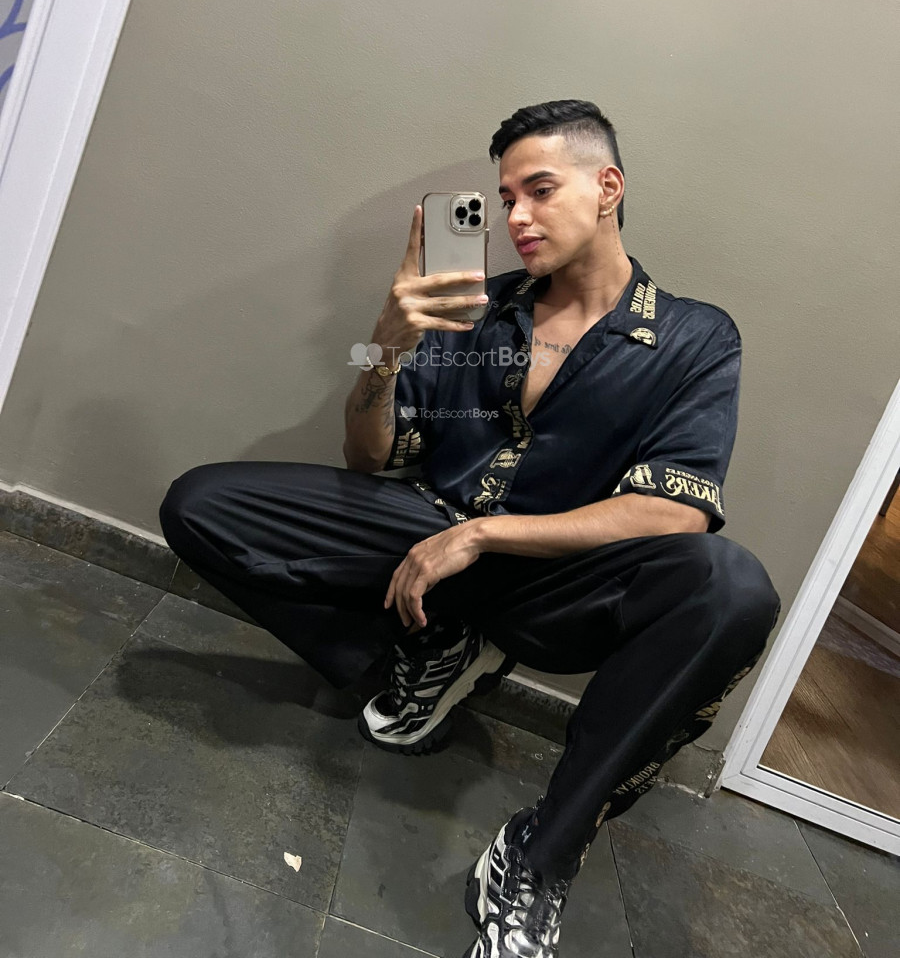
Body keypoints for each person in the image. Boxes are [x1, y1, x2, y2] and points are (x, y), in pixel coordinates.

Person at [159, 99, 781, 958]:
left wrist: (485, 537)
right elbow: (370, 457)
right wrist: (385, 346)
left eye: (540, 190)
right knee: (200, 505)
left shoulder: (693, 336)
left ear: (607, 188)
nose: (516, 217)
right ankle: (425, 656)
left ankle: (540, 853)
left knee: (734, 588)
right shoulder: (477, 309)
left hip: (554, 585)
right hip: (424, 532)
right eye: (506, 198)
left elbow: (675, 509)